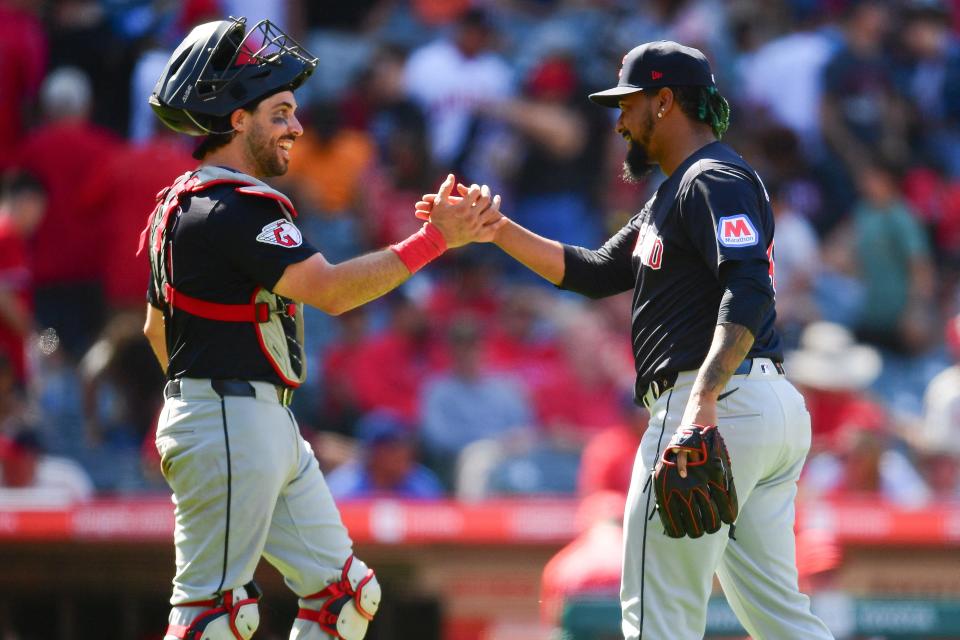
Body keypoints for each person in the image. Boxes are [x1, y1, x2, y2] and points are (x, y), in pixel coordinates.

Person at [418, 40, 832, 640]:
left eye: (628, 105)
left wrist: (701, 405)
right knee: (781, 620)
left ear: (665, 102)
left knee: (656, 614)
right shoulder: (676, 191)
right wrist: (493, 229)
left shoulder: (712, 176)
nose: (619, 123)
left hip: (711, 399)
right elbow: (591, 272)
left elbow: (749, 292)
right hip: (760, 408)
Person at [142, 17, 503, 640]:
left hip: (249, 418)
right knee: (212, 614)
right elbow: (333, 292)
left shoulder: (186, 200)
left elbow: (156, 330)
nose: (296, 127)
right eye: (280, 111)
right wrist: (437, 238)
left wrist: (202, 405)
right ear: (236, 118)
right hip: (231, 417)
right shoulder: (233, 204)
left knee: (345, 597)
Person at [324, 410, 444, 500]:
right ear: (374, 453)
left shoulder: (422, 481)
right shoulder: (343, 485)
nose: (404, 453)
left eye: (406, 445)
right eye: (394, 447)